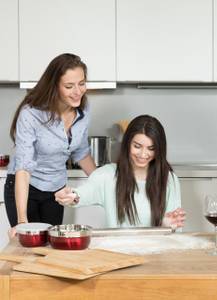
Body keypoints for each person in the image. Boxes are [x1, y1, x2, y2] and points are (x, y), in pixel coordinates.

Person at [4, 53, 96, 235]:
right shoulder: (31, 114)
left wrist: (104, 182)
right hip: (25, 187)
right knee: (28, 247)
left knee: (51, 247)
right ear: (54, 86)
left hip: (56, 190)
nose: (78, 91)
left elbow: (81, 153)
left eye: (82, 83)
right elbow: (23, 167)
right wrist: (22, 221)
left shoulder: (83, 109)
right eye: (69, 86)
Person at [55, 115, 186, 229]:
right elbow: (82, 194)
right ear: (127, 144)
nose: (143, 154)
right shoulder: (107, 175)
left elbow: (174, 230)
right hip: (119, 254)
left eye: (151, 148)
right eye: (137, 146)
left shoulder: (169, 179)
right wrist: (70, 196)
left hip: (157, 253)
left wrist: (166, 225)